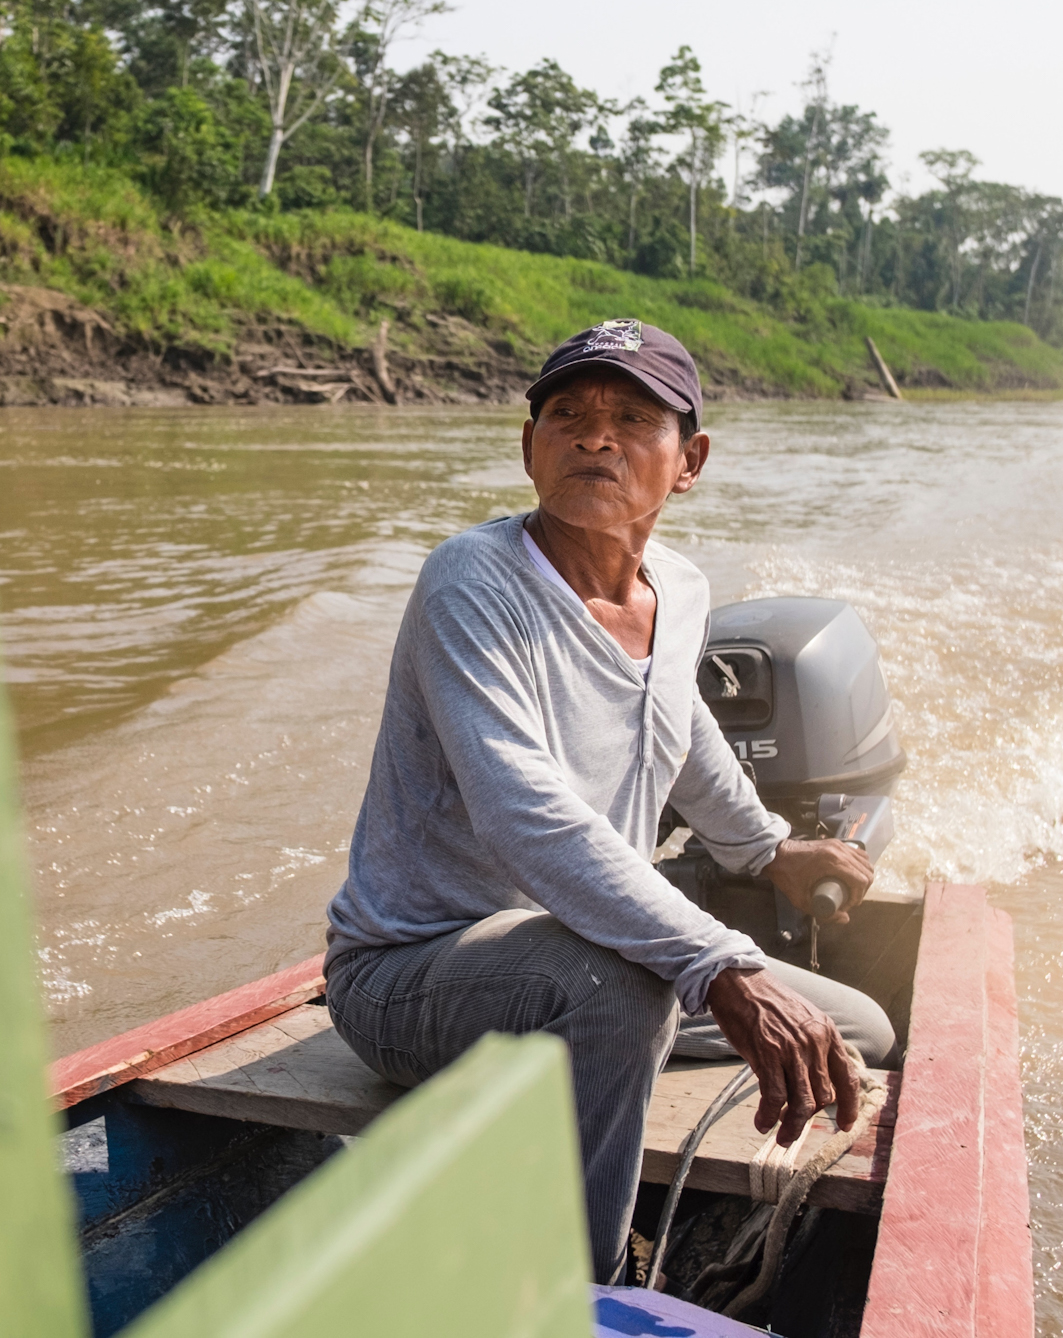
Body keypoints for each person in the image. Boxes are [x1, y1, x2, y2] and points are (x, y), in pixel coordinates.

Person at [322, 318, 897, 1284]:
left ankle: (592, 1081)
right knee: (616, 990)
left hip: (586, 953)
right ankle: (584, 1286)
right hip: (409, 975)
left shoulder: (679, 586)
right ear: (529, 446)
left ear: (689, 460)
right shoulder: (472, 583)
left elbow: (682, 734)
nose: (596, 437)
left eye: (633, 418)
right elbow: (524, 811)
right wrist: (716, 964)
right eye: (569, 415)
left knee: (856, 1034)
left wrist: (766, 851)